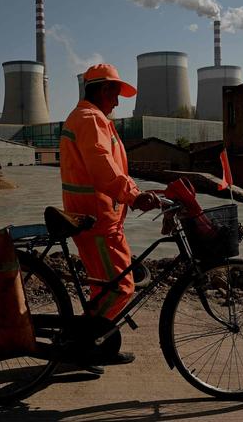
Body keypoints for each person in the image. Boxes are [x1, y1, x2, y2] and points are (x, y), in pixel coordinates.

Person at [59, 63, 160, 368]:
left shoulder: (89, 118)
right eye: (115, 94)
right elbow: (102, 165)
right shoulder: (90, 120)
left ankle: (98, 344)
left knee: (103, 286)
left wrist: (132, 191)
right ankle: (82, 345)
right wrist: (132, 195)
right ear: (103, 90)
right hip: (97, 221)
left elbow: (110, 166)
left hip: (100, 218)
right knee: (121, 287)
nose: (117, 102)